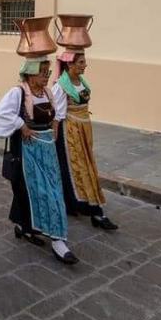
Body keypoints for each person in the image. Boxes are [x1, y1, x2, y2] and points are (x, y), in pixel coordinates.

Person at [0, 58, 79, 265]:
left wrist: (56, 123)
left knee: (52, 190)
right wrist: (21, 124)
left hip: (47, 149)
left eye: (48, 73)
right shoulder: (18, 92)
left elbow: (57, 111)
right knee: (37, 191)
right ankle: (57, 240)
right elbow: (1, 114)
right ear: (30, 74)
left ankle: (26, 227)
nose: (46, 77)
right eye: (42, 73)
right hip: (28, 150)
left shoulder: (48, 92)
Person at [53, 51, 117, 230]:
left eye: (84, 62)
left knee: (86, 167)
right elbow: (58, 115)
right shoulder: (61, 86)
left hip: (84, 131)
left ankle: (75, 205)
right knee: (79, 170)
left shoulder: (82, 83)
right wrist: (54, 136)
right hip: (70, 133)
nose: (84, 65)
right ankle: (96, 212)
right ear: (70, 65)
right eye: (81, 62)